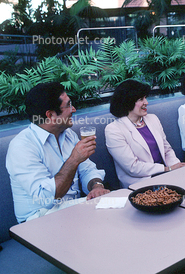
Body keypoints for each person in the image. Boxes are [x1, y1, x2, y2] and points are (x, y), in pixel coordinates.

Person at [6, 82, 109, 223]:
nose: (74, 109)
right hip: (38, 220)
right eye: (68, 105)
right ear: (50, 115)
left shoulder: (68, 135)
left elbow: (87, 170)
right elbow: (46, 199)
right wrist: (73, 160)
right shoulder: (22, 147)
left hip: (72, 211)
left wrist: (96, 186)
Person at [105, 80, 185, 188]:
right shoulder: (113, 130)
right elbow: (132, 167)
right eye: (141, 99)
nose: (146, 102)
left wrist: (177, 168)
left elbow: (167, 150)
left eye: (145, 98)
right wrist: (167, 169)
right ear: (127, 101)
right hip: (141, 184)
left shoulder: (153, 119)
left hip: (166, 176)